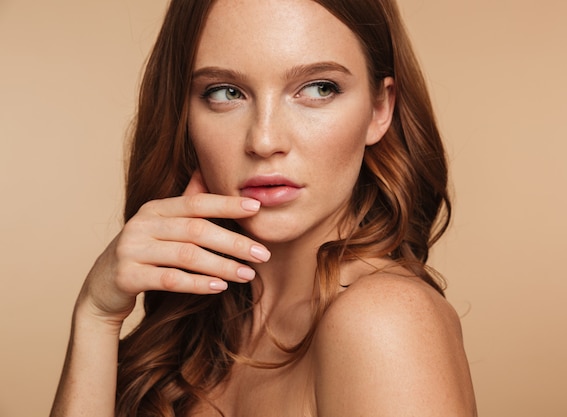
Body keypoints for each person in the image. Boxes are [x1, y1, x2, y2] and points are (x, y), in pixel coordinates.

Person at [50, 0, 477, 415]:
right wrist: (96, 317)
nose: (264, 140)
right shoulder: (200, 331)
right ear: (185, 112)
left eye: (317, 88)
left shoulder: (385, 322)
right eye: (225, 92)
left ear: (379, 109)